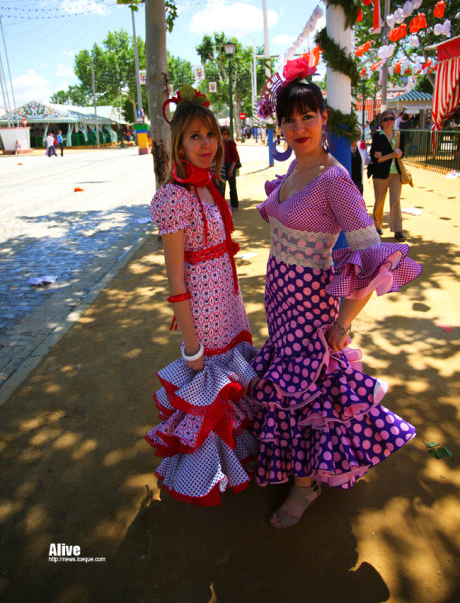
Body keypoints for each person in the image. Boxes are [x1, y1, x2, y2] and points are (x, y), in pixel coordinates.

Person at [249, 76, 422, 528]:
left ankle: (304, 488)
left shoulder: (335, 181)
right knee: (291, 391)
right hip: (281, 303)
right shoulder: (294, 170)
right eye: (289, 120)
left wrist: (342, 326)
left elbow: (371, 261)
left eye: (308, 116)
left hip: (311, 309)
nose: (298, 127)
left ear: (324, 118)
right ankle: (302, 475)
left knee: (308, 396)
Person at [146, 86, 258, 505]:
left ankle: (235, 461)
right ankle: (204, 476)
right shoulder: (174, 197)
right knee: (208, 392)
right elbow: (175, 277)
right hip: (203, 316)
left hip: (228, 302)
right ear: (179, 144)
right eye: (195, 136)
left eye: (210, 134)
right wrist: (190, 344)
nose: (206, 144)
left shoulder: (211, 185)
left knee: (231, 387)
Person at [369, 110, 405, 240]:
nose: (389, 121)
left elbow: (402, 153)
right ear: (381, 123)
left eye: (391, 118)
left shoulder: (400, 135)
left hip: (396, 173)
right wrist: (392, 155)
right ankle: (377, 227)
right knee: (379, 201)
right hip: (380, 173)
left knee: (395, 200)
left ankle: (397, 229)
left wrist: (400, 154)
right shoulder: (378, 136)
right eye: (385, 119)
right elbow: (375, 155)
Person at [221, 125, 240, 210]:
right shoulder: (219, 143)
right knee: (221, 187)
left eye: (225, 134)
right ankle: (222, 206)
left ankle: (234, 205)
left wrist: (231, 169)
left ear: (228, 134)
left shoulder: (231, 143)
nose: (223, 135)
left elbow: (235, 157)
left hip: (230, 165)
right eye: (222, 134)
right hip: (222, 166)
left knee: (232, 187)